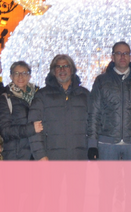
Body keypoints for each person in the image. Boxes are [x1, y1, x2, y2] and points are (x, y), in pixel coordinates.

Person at [88, 41, 131, 212]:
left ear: (130, 56)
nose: (122, 56)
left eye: (126, 53)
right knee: (106, 191)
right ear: (112, 57)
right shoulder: (102, 81)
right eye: (119, 53)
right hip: (107, 143)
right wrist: (92, 144)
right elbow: (94, 113)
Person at [28, 54, 89, 211]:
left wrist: (92, 150)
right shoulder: (42, 95)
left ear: (72, 70)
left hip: (78, 158)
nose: (62, 70)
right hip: (51, 158)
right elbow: (34, 127)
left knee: (77, 201)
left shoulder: (84, 95)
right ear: (53, 71)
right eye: (58, 67)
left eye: (66, 66)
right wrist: (40, 155)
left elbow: (93, 125)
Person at [0, 61, 40, 160]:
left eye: (24, 73)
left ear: (29, 76)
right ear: (11, 76)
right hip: (15, 155)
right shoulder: (5, 98)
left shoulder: (38, 95)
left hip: (35, 154)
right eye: (16, 73)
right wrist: (30, 129)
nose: (20, 76)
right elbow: (4, 131)